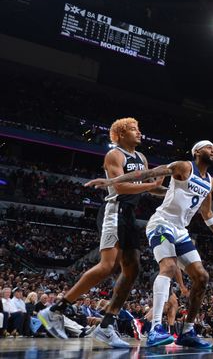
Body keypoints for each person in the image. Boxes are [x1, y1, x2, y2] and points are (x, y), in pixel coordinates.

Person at [85, 140, 213, 349]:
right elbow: (147, 174)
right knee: (169, 267)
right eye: (209, 147)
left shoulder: (210, 181)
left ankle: (188, 331)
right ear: (197, 152)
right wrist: (113, 181)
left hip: (181, 231)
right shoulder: (183, 166)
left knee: (202, 277)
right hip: (162, 223)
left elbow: (206, 212)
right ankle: (155, 328)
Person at [39, 118, 163, 348]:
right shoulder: (115, 155)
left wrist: (174, 190)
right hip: (114, 209)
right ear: (121, 133)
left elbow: (154, 187)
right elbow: (120, 187)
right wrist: (152, 182)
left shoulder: (141, 158)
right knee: (107, 265)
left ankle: (106, 325)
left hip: (130, 215)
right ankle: (56, 310)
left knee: (133, 268)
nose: (140, 133)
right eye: (135, 130)